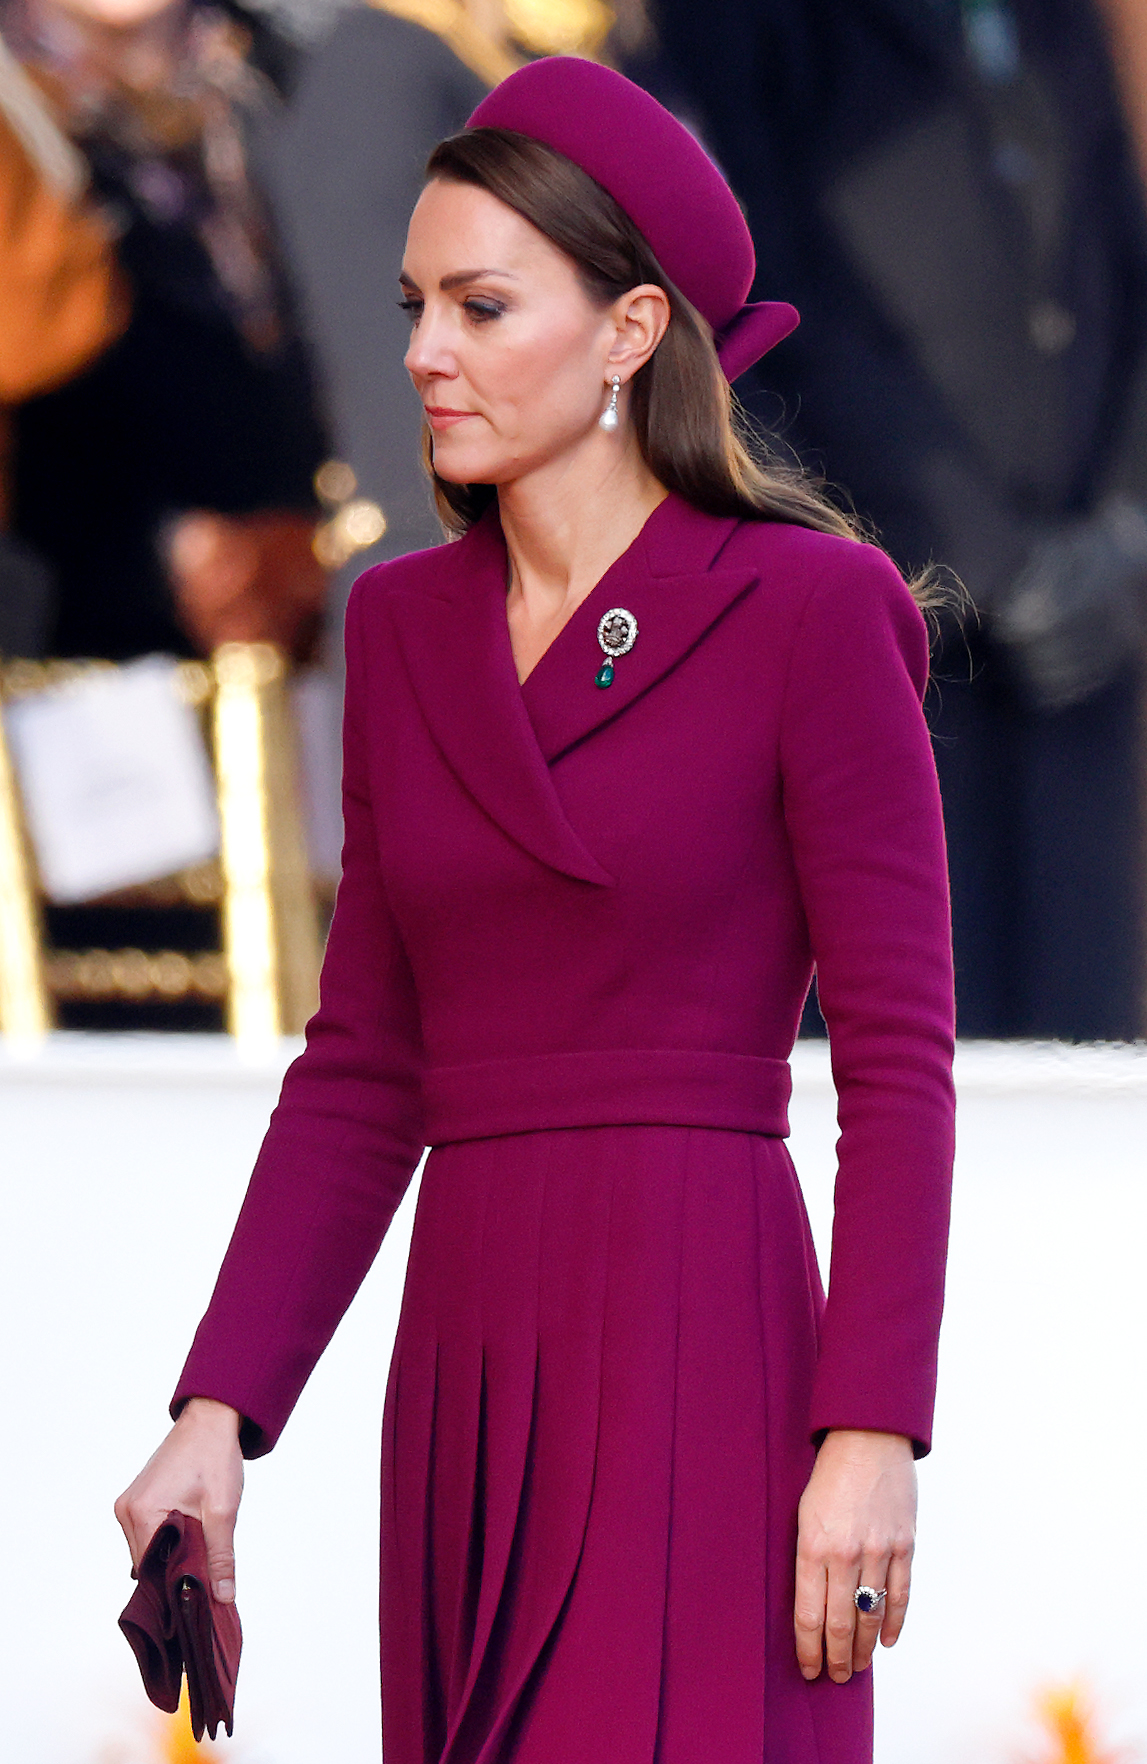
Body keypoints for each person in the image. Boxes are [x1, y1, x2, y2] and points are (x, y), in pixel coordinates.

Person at [115, 57, 956, 1762]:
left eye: (480, 304)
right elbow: (360, 1066)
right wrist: (218, 1411)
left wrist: (869, 1427)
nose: (422, 349)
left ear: (632, 330)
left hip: (704, 1337)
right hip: (470, 1363)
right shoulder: (406, 628)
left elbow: (896, 1058)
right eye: (416, 301)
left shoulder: (810, 608)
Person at [641, 0, 1147, 1041]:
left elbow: (1116, 259)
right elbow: (768, 310)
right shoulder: (735, 27)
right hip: (886, 616)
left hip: (1085, 623)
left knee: (1082, 1051)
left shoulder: (1055, 19)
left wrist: (1125, 532)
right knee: (902, 1056)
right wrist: (985, 557)